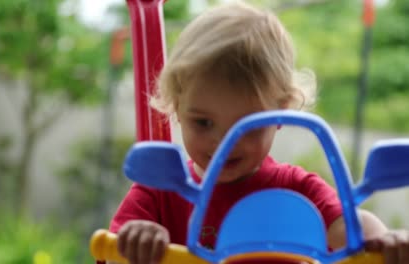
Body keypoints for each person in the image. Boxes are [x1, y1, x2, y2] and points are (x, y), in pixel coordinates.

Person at [105, 2, 409, 264]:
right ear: (177, 107)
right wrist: (137, 240)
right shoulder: (159, 193)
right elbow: (111, 252)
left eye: (247, 125)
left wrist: (384, 242)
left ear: (281, 112)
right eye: (203, 123)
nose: (223, 142)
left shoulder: (296, 189)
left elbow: (350, 226)